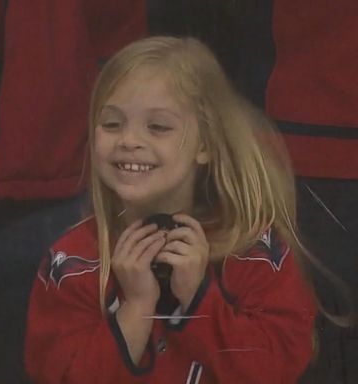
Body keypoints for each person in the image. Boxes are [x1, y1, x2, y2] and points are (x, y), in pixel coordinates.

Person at [25, 36, 317, 384]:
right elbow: (56, 375)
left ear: (205, 144)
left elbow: (277, 369)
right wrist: (134, 310)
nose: (129, 140)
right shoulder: (70, 264)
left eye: (158, 126)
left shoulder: (253, 251)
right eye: (112, 124)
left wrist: (198, 300)